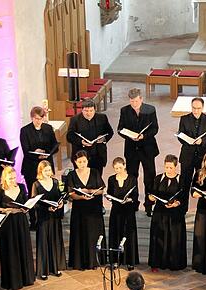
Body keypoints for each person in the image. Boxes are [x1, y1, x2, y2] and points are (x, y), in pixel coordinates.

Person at [118, 88, 160, 216]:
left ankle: (149, 205)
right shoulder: (124, 110)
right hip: (132, 149)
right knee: (132, 177)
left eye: (136, 101)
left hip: (147, 148)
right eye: (132, 101)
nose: (134, 104)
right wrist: (129, 135)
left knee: (149, 178)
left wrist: (143, 136)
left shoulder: (150, 109)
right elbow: (120, 129)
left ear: (141, 99)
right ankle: (133, 203)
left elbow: (155, 128)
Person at [0, 166, 35, 290]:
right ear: (4, 178)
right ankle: (13, 280)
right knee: (11, 249)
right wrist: (6, 210)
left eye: (14, 177)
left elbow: (26, 203)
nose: (13, 180)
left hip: (21, 221)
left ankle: (26, 277)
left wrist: (25, 208)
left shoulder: (21, 187)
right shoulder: (0, 190)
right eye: (10, 178)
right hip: (8, 223)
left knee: (23, 247)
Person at [65, 150, 105, 270]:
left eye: (84, 161)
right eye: (80, 162)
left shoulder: (94, 172)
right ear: (75, 162)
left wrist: (90, 191)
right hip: (79, 209)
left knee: (93, 234)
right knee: (80, 235)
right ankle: (80, 262)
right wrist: (81, 196)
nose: (82, 164)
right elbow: (71, 194)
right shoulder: (71, 174)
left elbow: (101, 189)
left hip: (94, 208)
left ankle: (94, 261)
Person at [148, 155, 187, 271]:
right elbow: (151, 194)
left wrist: (177, 203)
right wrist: (151, 198)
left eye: (171, 167)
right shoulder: (158, 178)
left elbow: (184, 197)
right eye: (166, 167)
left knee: (174, 238)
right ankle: (156, 263)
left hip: (175, 214)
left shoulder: (181, 179)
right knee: (158, 237)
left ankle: (174, 264)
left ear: (176, 166)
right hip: (160, 213)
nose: (168, 170)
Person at [30, 161, 67, 280]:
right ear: (40, 171)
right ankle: (43, 270)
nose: (48, 172)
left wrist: (61, 204)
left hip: (55, 217)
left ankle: (56, 267)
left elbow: (60, 196)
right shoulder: (36, 184)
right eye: (45, 170)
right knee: (44, 243)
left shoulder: (55, 182)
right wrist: (47, 208)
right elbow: (34, 203)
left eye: (49, 170)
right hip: (43, 218)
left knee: (55, 241)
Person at [106, 157, 139, 269]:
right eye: (116, 168)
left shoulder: (132, 179)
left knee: (128, 234)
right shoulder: (111, 179)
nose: (118, 170)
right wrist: (109, 197)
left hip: (128, 210)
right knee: (115, 234)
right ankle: (115, 261)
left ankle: (130, 261)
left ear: (124, 165)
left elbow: (135, 195)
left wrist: (129, 199)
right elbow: (110, 193)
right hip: (116, 210)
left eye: (120, 167)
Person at [177, 97, 206, 188]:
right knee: (185, 183)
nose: (196, 111)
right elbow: (180, 137)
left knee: (202, 182)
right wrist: (188, 140)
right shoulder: (184, 119)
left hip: (203, 156)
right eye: (194, 108)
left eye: (198, 108)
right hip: (187, 155)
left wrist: (202, 141)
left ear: (203, 108)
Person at [20, 106, 59, 192]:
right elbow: (25, 150)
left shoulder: (48, 128)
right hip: (32, 166)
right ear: (32, 118)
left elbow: (55, 145)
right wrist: (36, 154)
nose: (39, 121)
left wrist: (47, 152)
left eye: (41, 118)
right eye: (36, 119)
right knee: (33, 192)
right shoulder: (25, 131)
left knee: (48, 191)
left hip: (47, 165)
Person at [67, 99, 114, 170]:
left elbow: (110, 132)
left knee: (97, 175)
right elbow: (69, 136)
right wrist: (81, 142)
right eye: (86, 111)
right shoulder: (75, 120)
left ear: (95, 110)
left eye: (91, 111)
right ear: (82, 110)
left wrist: (103, 139)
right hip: (81, 155)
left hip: (98, 155)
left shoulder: (102, 118)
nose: (89, 113)